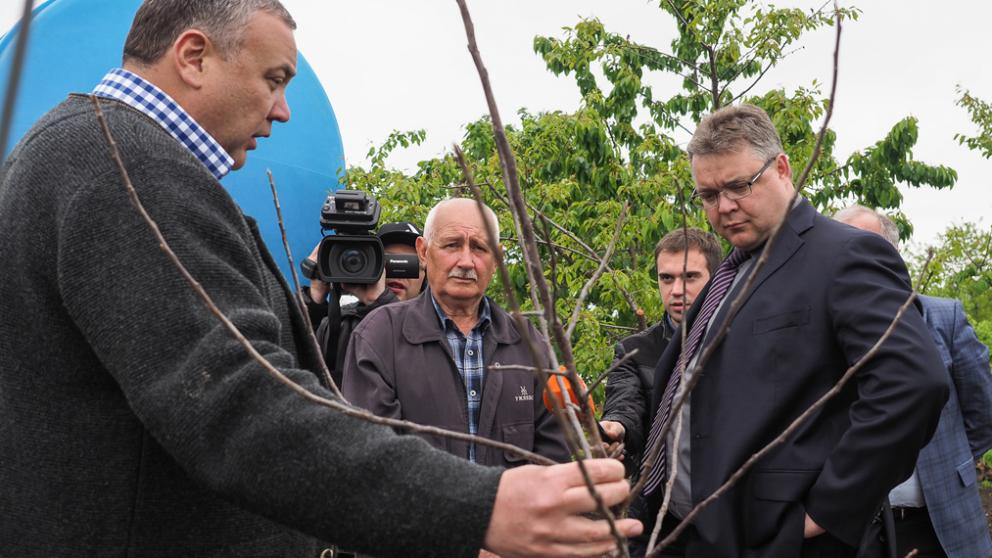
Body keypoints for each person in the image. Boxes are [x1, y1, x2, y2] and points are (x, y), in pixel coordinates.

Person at [0, 1, 642, 556]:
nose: (282, 111)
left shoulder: (99, 154)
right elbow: (236, 402)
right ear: (193, 56)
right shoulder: (126, 168)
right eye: (273, 80)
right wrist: (479, 507)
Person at [629, 104, 948, 558]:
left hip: (778, 541)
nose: (724, 207)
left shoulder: (844, 255)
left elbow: (914, 383)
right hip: (692, 535)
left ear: (781, 168)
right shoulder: (731, 272)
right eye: (708, 195)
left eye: (739, 186)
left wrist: (828, 510)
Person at [342, 198, 571, 466]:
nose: (466, 261)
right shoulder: (379, 336)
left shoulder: (528, 343)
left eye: (479, 248)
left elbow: (553, 460)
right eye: (452, 245)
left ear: (497, 259)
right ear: (424, 252)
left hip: (516, 509)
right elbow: (372, 455)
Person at [836, 205, 992, 558]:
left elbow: (983, 412)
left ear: (893, 256)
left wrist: (950, 464)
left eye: (868, 248)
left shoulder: (942, 318)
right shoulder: (820, 331)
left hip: (941, 523)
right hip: (856, 529)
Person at [599, 227, 722, 478]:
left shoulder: (746, 339)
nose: (676, 290)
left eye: (689, 277)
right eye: (666, 278)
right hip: (660, 505)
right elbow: (625, 405)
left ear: (716, 278)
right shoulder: (634, 351)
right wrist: (615, 427)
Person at [303, 221, 427, 385]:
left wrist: (380, 302)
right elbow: (296, 374)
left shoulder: (439, 325)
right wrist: (314, 299)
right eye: (387, 262)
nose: (397, 274)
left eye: (407, 265)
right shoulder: (339, 325)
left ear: (426, 276)